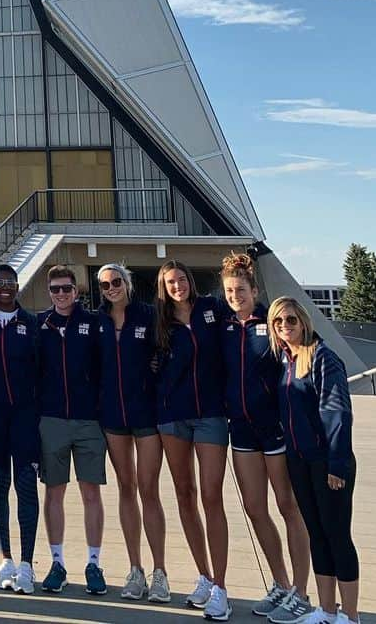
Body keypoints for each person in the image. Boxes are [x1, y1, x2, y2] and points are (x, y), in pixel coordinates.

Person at [221, 255, 311, 622]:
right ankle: (280, 582)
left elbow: (300, 359)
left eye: (240, 290)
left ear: (254, 290)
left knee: (288, 507)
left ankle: (301, 593)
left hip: (274, 427)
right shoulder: (223, 327)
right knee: (255, 509)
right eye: (228, 290)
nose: (235, 296)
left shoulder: (271, 323)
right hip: (241, 429)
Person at [270, 296, 360, 624]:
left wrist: (336, 464)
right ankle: (326, 610)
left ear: (304, 321)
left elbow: (336, 413)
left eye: (291, 320)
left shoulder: (324, 359)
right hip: (300, 460)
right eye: (278, 322)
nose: (285, 327)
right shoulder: (286, 360)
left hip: (327, 462)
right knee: (317, 534)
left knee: (337, 536)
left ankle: (350, 616)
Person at [154, 260, 232, 621]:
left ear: (190, 281)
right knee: (184, 494)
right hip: (173, 416)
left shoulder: (212, 309)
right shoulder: (159, 321)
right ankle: (204, 575)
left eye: (182, 279)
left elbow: (249, 312)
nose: (178, 286)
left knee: (211, 495)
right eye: (171, 282)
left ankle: (221, 585)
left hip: (211, 414)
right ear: (163, 286)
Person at [96, 262, 169, 603]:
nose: (111, 288)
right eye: (105, 284)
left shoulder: (148, 315)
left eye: (116, 281)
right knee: (126, 488)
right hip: (113, 415)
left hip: (146, 414)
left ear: (127, 282)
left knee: (148, 489)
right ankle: (135, 569)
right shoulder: (98, 321)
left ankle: (160, 572)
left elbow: (167, 353)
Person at [37, 263, 107, 596]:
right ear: (49, 292)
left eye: (67, 288)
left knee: (91, 493)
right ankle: (57, 563)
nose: (61, 294)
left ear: (76, 291)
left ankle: (94, 563)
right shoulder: (40, 324)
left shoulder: (93, 324)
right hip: (51, 419)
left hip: (88, 419)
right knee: (54, 492)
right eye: (55, 290)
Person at [0, 263, 39, 595]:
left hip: (25, 416)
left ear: (18, 287)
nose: (4, 288)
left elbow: (42, 370)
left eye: (10, 283)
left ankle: (27, 565)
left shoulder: (30, 324)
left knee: (26, 485)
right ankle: (6, 560)